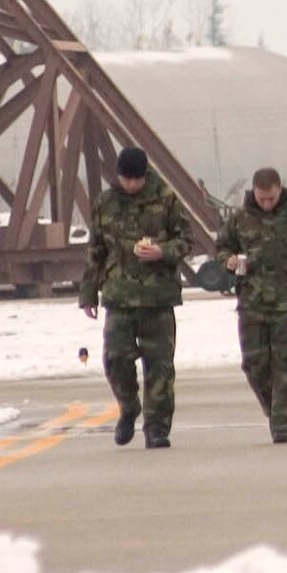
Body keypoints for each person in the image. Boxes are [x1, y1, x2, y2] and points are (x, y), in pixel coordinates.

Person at [79, 145, 192, 448]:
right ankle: (128, 406)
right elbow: (96, 250)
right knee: (116, 359)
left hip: (158, 296)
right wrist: (88, 293)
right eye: (126, 179)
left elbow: (186, 240)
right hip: (119, 296)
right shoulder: (106, 203)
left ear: (145, 176)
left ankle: (157, 428)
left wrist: (162, 251)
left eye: (136, 180)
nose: (131, 185)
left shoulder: (165, 199)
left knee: (160, 367)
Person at [213, 166, 287, 443]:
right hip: (252, 303)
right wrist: (227, 261)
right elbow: (221, 247)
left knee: (286, 366)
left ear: (279, 191)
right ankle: (273, 407)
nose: (266, 204)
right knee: (254, 364)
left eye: (271, 198)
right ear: (254, 192)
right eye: (262, 198)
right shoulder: (241, 218)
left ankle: (283, 423)